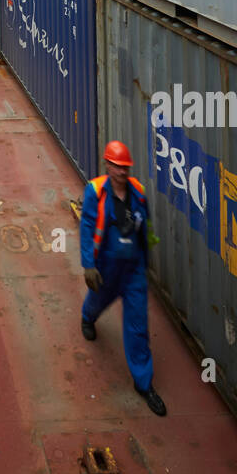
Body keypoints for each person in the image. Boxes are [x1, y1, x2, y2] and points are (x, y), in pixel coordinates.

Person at [79, 140, 166, 416]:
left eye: (125, 167)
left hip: (133, 270)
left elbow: (145, 225)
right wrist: (88, 265)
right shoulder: (95, 191)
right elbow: (87, 227)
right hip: (107, 267)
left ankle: (144, 383)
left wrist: (146, 260)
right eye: (116, 166)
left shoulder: (137, 191)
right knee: (97, 302)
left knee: (138, 327)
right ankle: (87, 317)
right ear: (107, 165)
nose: (121, 171)